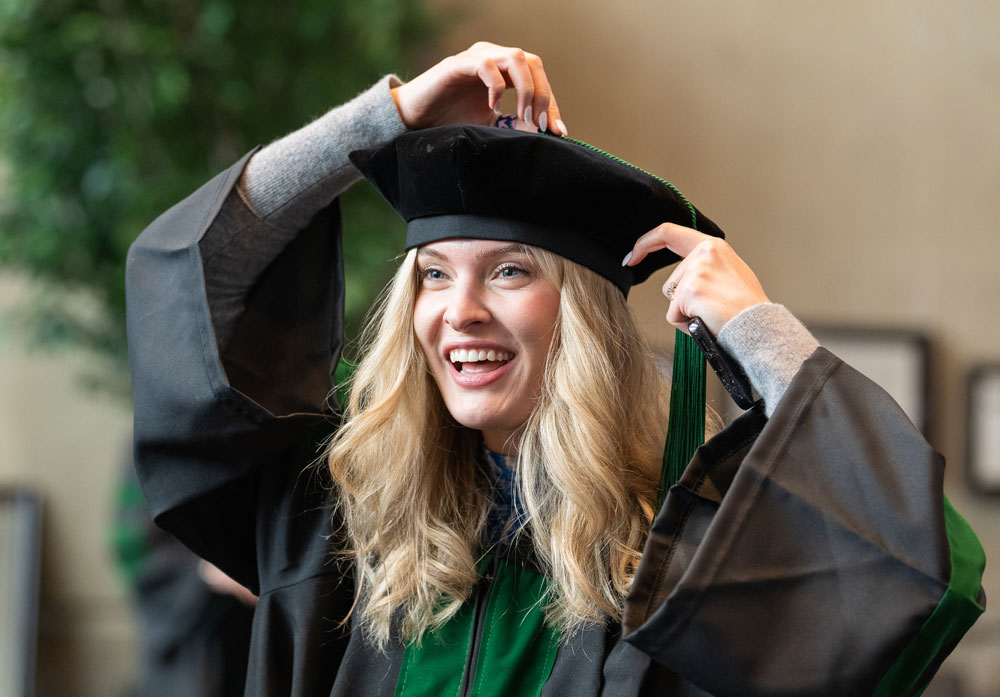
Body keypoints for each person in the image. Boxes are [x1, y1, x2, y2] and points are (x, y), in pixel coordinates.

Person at [126, 42, 985, 697]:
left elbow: (921, 574)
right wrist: (386, 116)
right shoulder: (351, 528)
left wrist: (758, 331)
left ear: (577, 315)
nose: (458, 308)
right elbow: (191, 278)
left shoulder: (689, 557)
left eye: (508, 270)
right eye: (433, 274)